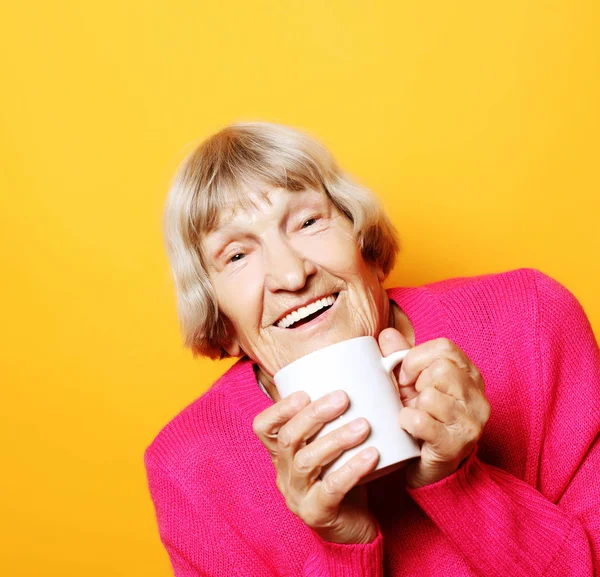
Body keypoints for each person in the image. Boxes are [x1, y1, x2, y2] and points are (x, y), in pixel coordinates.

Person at [144, 121, 600, 576]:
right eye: (237, 256)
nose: (290, 276)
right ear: (221, 320)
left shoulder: (529, 320)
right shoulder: (189, 469)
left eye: (307, 222)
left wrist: (459, 481)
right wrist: (344, 547)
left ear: (363, 241)